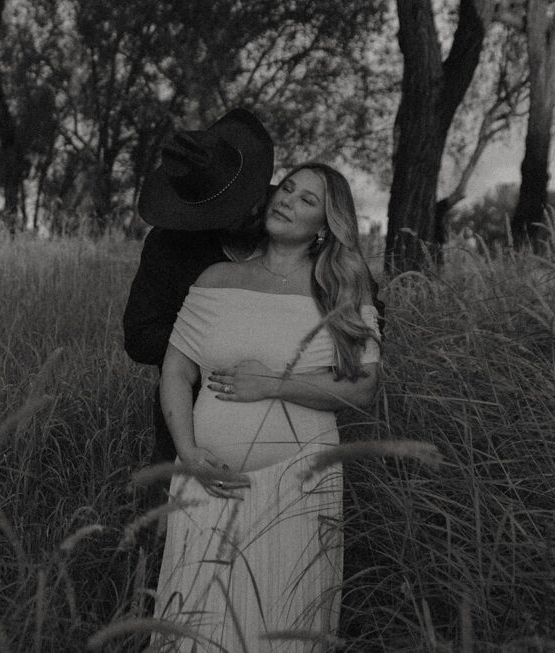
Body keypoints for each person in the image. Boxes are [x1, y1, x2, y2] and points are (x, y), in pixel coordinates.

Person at [151, 162, 381, 652]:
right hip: (206, 480)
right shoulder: (216, 278)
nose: (287, 201)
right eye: (288, 188)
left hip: (299, 487)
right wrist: (187, 453)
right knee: (196, 627)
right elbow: (176, 371)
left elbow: (363, 390)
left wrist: (274, 383)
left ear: (326, 224)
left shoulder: (340, 289)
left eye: (307, 200)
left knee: (283, 627)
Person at [123, 108, 275, 466]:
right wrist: (219, 340)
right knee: (169, 519)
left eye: (249, 199)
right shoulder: (168, 245)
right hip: (189, 420)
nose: (247, 211)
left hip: (290, 418)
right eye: (227, 210)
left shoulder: (304, 223)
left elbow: (365, 314)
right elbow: (140, 337)